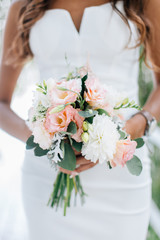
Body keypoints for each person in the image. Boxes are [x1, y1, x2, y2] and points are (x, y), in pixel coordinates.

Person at [0, 0, 160, 239]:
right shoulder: (23, 6)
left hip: (121, 173)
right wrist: (42, 137)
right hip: (46, 174)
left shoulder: (142, 2)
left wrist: (133, 128)